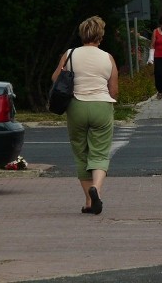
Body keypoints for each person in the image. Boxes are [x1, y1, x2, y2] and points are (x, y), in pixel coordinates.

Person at [51, 16, 118, 215]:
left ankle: (89, 202)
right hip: (102, 107)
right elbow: (114, 91)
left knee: (81, 153)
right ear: (101, 35)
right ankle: (96, 189)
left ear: (82, 34)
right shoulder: (108, 58)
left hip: (76, 107)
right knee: (100, 152)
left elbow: (55, 78)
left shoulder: (70, 54)